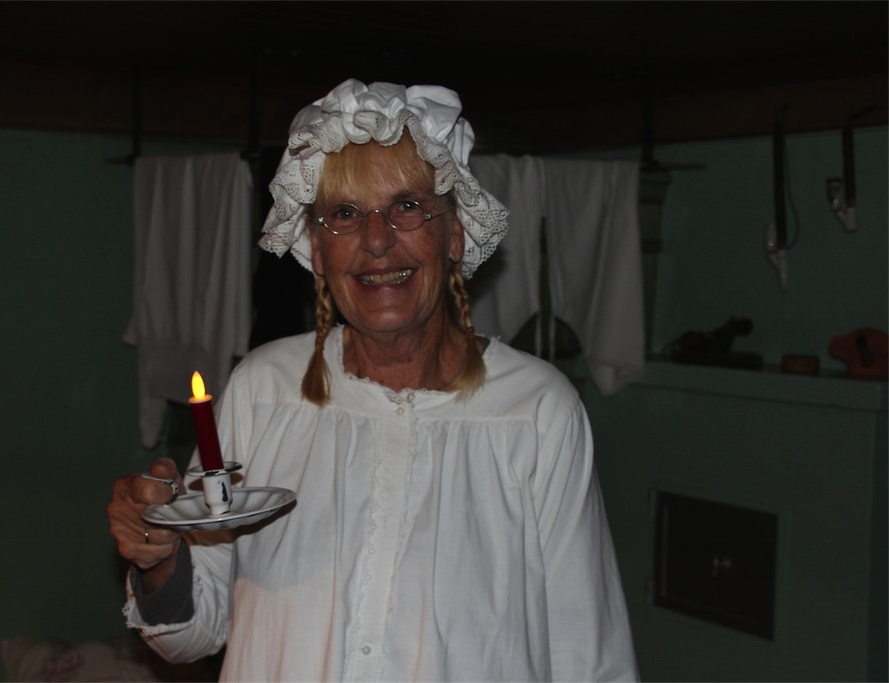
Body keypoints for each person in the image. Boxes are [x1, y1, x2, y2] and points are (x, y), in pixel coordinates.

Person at [108, 79, 638, 681]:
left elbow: (587, 653)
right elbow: (191, 631)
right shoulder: (262, 391)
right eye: (345, 214)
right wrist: (157, 556)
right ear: (317, 248)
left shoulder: (536, 412)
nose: (378, 240)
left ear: (455, 234)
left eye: (408, 206)